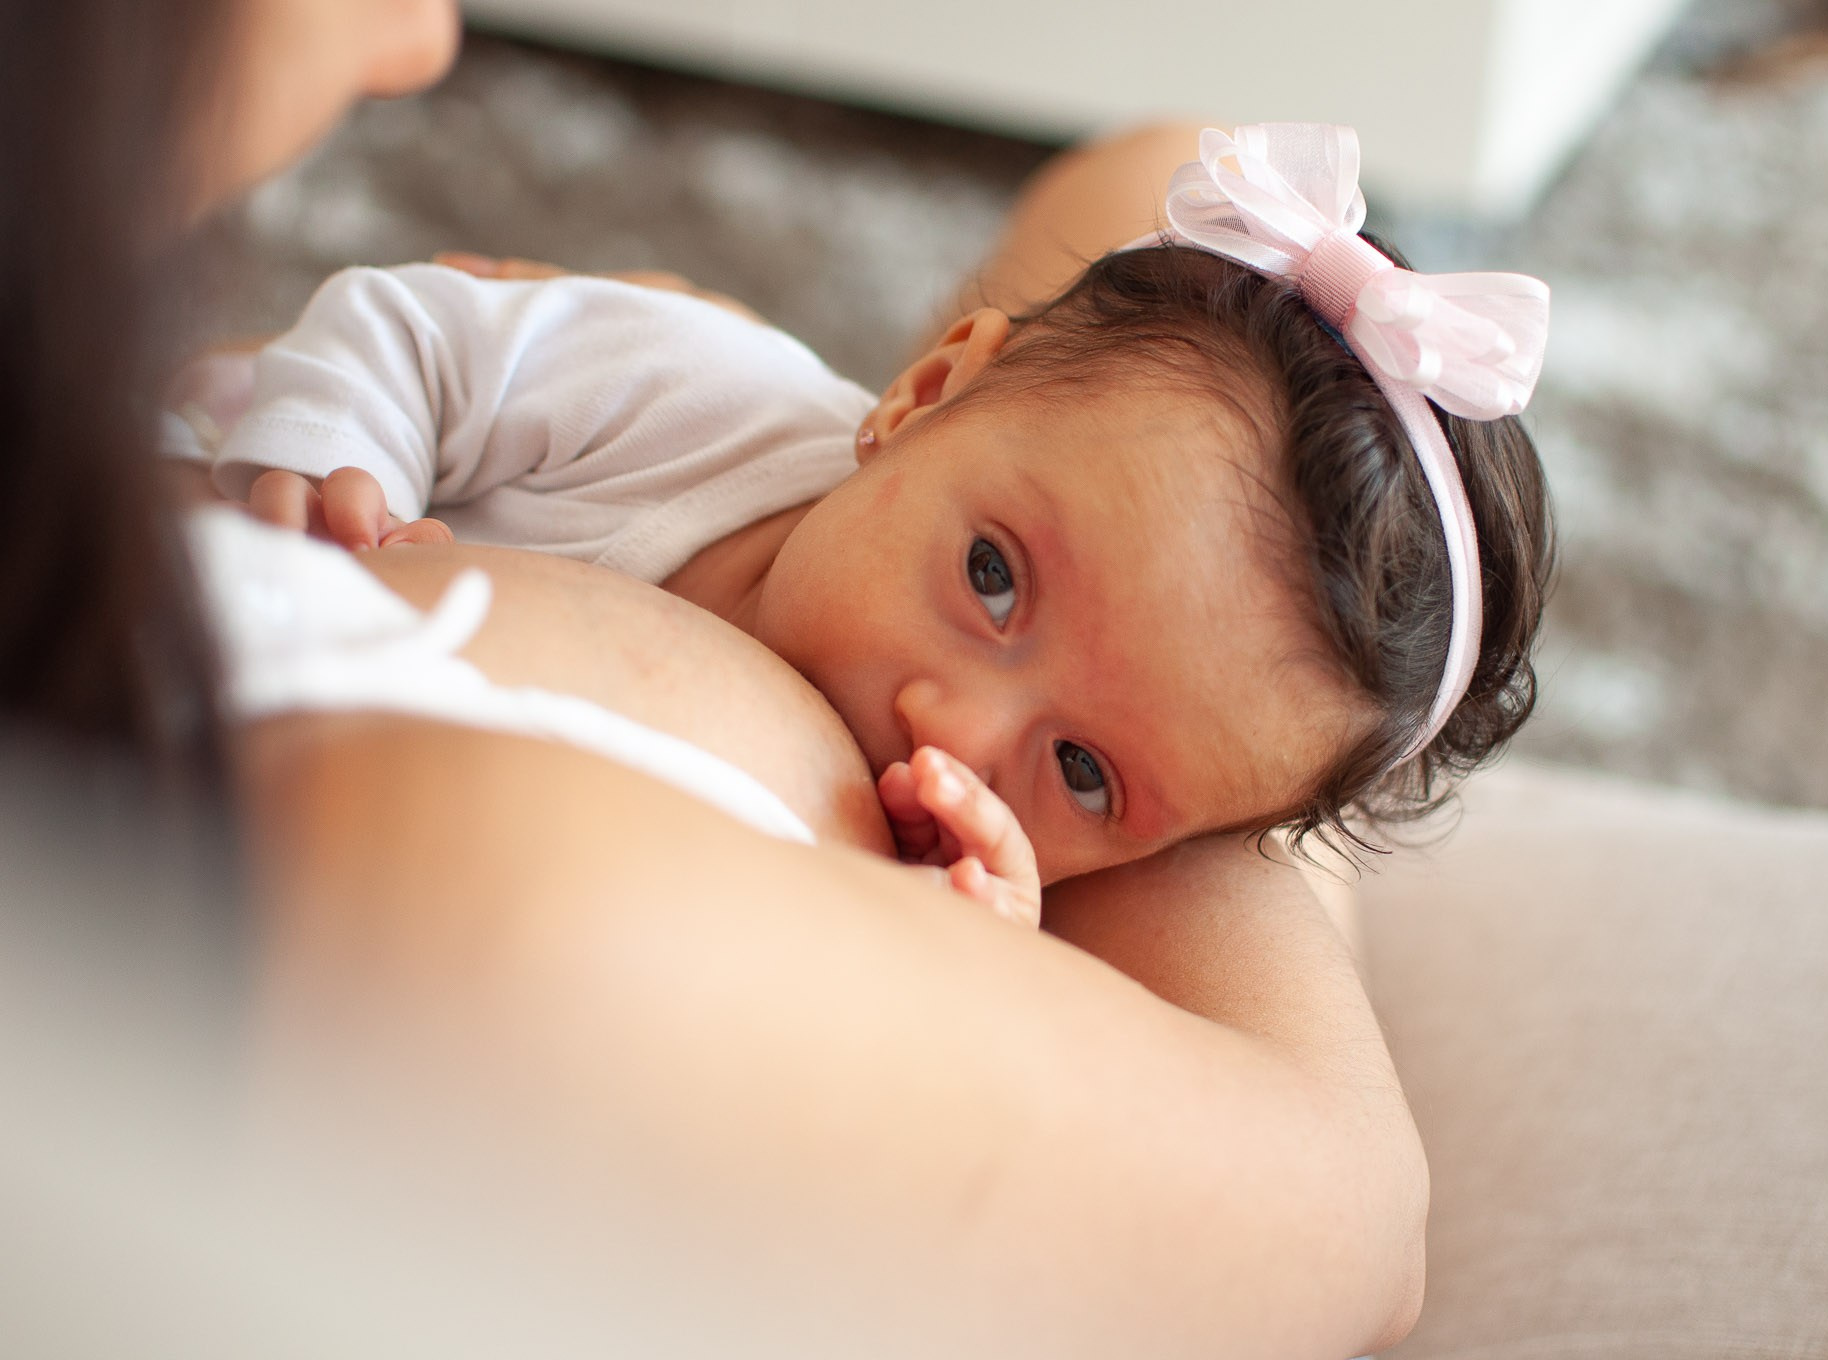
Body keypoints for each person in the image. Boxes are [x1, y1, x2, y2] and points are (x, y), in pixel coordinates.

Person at [4, 2, 1441, 1354]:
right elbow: (1358, 1227)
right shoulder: (389, 883)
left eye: (1089, 771)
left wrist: (1015, 878)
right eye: (992, 578)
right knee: (1153, 291)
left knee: (1164, 205)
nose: (426, 37)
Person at [171, 125, 1554, 927]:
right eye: (994, 576)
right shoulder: (695, 392)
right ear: (924, 393)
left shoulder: (940, 858)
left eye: (1084, 775)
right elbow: (417, 328)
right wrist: (334, 461)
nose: (951, 720)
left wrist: (974, 945)